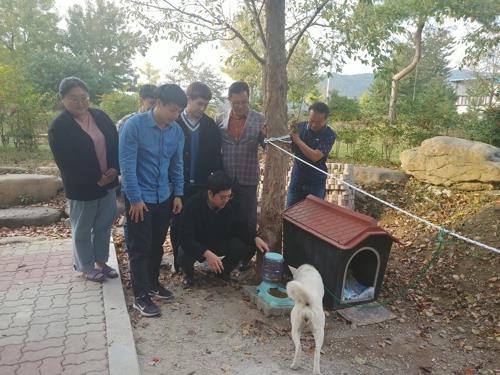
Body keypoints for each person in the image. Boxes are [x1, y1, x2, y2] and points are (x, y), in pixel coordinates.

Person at [119, 84, 187, 317]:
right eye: (172, 110)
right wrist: (135, 199)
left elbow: (177, 164)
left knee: (156, 244)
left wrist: (178, 193)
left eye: (178, 111)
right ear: (158, 103)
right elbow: (127, 166)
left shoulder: (176, 131)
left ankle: (152, 282)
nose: (175, 116)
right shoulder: (134, 126)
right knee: (139, 247)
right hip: (140, 199)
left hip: (164, 197)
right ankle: (140, 296)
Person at [48, 76, 119, 282]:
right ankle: (86, 267)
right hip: (82, 188)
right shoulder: (59, 126)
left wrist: (114, 168)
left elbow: (114, 143)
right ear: (63, 99)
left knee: (104, 225)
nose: (80, 103)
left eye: (84, 97)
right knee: (82, 228)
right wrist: (96, 181)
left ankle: (101, 262)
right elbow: (66, 162)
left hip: (109, 182)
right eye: (73, 99)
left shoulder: (100, 116)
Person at [178, 171, 269, 287]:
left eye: (229, 196)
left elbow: (240, 227)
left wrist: (255, 238)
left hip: (219, 241)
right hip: (198, 243)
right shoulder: (192, 205)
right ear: (210, 194)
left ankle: (222, 272)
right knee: (183, 252)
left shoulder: (231, 203)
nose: (226, 200)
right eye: (222, 197)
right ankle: (188, 275)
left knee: (243, 246)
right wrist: (205, 253)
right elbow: (185, 238)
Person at [170, 82, 223, 272]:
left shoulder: (209, 126)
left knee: (196, 223)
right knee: (177, 223)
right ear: (189, 99)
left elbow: (217, 158)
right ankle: (178, 262)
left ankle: (191, 261)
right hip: (176, 184)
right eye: (199, 103)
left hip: (201, 184)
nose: (202, 108)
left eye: (205, 105)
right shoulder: (174, 122)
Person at [216, 81, 266, 270]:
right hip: (227, 177)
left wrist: (266, 137)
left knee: (248, 218)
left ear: (248, 99)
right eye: (236, 102)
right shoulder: (219, 119)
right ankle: (228, 255)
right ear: (229, 100)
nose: (240, 106)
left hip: (248, 177)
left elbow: (268, 146)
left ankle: (247, 256)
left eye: (244, 102)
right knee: (226, 216)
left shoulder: (260, 120)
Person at [285, 102, 336, 208]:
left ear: (326, 120)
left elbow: (315, 156)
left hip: (315, 183)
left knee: (313, 219)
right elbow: (287, 147)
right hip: (297, 181)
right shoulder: (299, 127)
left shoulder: (329, 134)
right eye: (311, 120)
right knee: (289, 216)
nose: (313, 125)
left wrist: (298, 140)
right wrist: (288, 131)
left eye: (318, 122)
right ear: (308, 115)